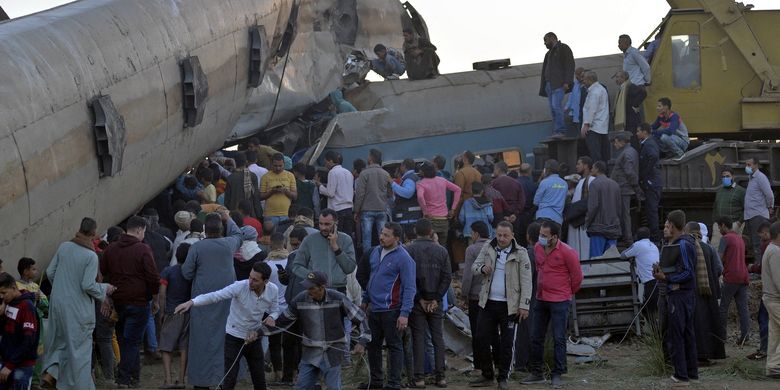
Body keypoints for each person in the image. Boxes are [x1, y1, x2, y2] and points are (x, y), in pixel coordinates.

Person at [174, 262, 279, 390]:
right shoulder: (240, 287)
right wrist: (192, 302)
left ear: (266, 281)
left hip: (254, 337)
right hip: (234, 337)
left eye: (255, 280)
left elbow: (275, 310)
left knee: (259, 379)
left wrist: (272, 317)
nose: (250, 281)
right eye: (250, 277)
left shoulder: (273, 290)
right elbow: (215, 296)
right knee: (230, 378)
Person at [261, 271, 370, 389]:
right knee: (301, 387)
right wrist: (259, 332)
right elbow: (282, 322)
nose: (308, 291)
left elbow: (361, 318)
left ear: (322, 287)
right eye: (307, 287)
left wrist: (362, 342)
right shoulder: (300, 299)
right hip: (310, 352)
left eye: (312, 288)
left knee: (334, 387)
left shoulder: (338, 298)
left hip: (332, 351)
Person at [43, 218, 115, 390]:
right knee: (79, 353)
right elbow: (87, 285)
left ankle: (51, 374)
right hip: (78, 310)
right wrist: (105, 288)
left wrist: (63, 287)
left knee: (61, 343)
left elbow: (50, 272)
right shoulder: (90, 256)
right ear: (93, 234)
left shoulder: (64, 246)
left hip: (57, 304)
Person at [181, 212, 242, 388]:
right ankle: (223, 379)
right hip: (226, 302)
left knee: (201, 342)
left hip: (201, 301)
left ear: (204, 230)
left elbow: (186, 273)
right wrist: (228, 217)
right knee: (225, 340)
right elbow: (239, 234)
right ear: (222, 229)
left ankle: (201, 381)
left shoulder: (197, 248)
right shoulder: (229, 244)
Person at [470, 221, 532, 389]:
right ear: (495, 234)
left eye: (505, 235)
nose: (502, 238)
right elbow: (474, 267)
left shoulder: (521, 253)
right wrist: (482, 268)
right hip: (488, 303)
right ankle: (487, 374)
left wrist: (524, 305)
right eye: (499, 235)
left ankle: (503, 377)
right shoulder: (488, 247)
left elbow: (527, 281)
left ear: (512, 235)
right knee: (481, 337)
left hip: (509, 306)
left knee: (507, 342)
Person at [101, 216, 161, 388]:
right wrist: (156, 299)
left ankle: (135, 377)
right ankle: (124, 378)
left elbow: (103, 272)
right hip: (139, 301)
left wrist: (107, 296)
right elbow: (153, 277)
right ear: (140, 229)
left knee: (123, 339)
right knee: (133, 342)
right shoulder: (143, 249)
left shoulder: (111, 249)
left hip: (118, 301)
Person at [522, 220, 582, 389]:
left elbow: (577, 278)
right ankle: (537, 372)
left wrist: (565, 293)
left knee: (559, 338)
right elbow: (539, 268)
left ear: (554, 237)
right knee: (536, 337)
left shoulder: (568, 252)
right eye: (540, 234)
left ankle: (557, 373)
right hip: (541, 298)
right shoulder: (538, 249)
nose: (540, 237)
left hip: (560, 301)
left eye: (544, 235)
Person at [359, 222, 416, 390]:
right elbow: (372, 279)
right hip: (374, 309)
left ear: (397, 238)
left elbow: (410, 287)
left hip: (392, 310)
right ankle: (376, 381)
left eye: (386, 235)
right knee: (372, 345)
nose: (382, 237)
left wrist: (404, 313)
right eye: (382, 233)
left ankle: (394, 383)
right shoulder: (375, 252)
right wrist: (365, 299)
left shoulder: (404, 258)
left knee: (394, 346)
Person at [405, 219, 452, 388]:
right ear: (431, 231)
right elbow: (447, 277)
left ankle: (419, 378)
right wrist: (436, 298)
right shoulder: (441, 251)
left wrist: (420, 299)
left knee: (418, 339)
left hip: (417, 302)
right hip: (434, 302)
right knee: (437, 338)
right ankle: (441, 377)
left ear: (415, 230)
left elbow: (407, 279)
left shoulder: (408, 250)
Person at [653, 210, 698, 385]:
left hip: (679, 295)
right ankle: (692, 374)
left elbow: (687, 271)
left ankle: (680, 376)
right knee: (687, 334)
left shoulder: (682, 245)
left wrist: (667, 278)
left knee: (677, 335)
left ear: (673, 226)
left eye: (666, 225)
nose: (664, 228)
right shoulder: (684, 243)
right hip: (684, 295)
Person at [683, 222, 725, 363]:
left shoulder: (686, 247)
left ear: (687, 231)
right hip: (709, 292)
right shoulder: (709, 249)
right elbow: (719, 269)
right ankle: (709, 354)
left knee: (695, 324)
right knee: (709, 323)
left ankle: (695, 354)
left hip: (692, 292)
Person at [291, 209, 357, 293]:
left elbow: (349, 268)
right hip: (315, 289)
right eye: (320, 224)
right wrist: (312, 276)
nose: (323, 227)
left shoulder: (346, 239)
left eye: (327, 224)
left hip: (338, 289)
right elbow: (297, 266)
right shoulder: (309, 240)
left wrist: (336, 248)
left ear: (336, 223)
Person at [460, 221, 496, 373]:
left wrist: (464, 294)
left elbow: (468, 276)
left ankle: (479, 365)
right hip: (494, 297)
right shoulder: (495, 247)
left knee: (477, 332)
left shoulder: (472, 249)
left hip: (476, 297)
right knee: (493, 331)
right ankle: (497, 363)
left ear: (476, 233)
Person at [158, 243, 193, 389]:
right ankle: (181, 379)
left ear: (176, 255)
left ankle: (168, 380)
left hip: (172, 312)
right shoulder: (191, 274)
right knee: (184, 347)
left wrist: (161, 311)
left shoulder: (168, 271)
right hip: (188, 312)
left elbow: (162, 293)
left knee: (166, 346)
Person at [0, 273, 40, 390]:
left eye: (3, 293)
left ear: (13, 288)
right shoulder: (7, 303)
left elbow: (28, 340)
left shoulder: (26, 307)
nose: (1, 296)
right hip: (6, 362)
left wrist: (10, 365)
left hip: (21, 365)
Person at [717, 217, 751, 344]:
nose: (719, 230)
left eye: (720, 227)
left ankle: (721, 337)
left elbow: (718, 258)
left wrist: (718, 274)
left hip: (731, 276)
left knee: (723, 307)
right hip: (743, 276)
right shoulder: (739, 239)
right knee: (743, 308)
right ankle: (745, 337)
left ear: (724, 225)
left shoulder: (725, 239)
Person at [355, 149, 393, 254]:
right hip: (382, 208)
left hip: (367, 209)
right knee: (383, 236)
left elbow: (360, 194)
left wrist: (356, 210)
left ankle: (367, 260)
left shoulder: (364, 174)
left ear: (371, 158)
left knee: (367, 238)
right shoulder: (386, 174)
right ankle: (384, 256)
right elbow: (390, 193)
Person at [416, 162, 462, 247]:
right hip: (444, 220)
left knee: (431, 246)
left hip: (431, 220)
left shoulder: (421, 183)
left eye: (420, 170)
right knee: (443, 246)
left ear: (423, 172)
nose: (419, 171)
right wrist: (453, 209)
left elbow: (420, 197)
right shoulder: (442, 180)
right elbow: (458, 190)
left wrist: (425, 211)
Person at [539, 32, 575, 138]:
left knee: (556, 107)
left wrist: (567, 82)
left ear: (552, 38)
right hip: (549, 85)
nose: (545, 43)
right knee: (553, 109)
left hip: (558, 84)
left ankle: (561, 130)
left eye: (545, 40)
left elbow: (570, 65)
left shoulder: (563, 49)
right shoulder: (548, 54)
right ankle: (557, 130)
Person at [585, 161, 622, 258]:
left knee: (596, 261)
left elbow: (593, 207)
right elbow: (619, 208)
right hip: (613, 227)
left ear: (597, 169)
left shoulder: (594, 184)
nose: (591, 170)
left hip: (598, 228)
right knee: (611, 260)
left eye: (592, 168)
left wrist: (587, 222)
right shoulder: (615, 184)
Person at [620, 227, 660, 318]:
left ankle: (649, 331)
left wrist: (632, 253)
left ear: (637, 236)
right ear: (649, 236)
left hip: (649, 284)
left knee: (647, 313)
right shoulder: (654, 246)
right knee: (654, 311)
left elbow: (622, 256)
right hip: (659, 282)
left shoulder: (637, 245)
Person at [317, 151, 355, 239]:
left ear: (330, 161)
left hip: (337, 210)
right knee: (347, 237)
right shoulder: (348, 172)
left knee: (336, 236)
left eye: (326, 162)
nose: (325, 165)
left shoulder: (332, 172)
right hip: (349, 208)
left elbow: (330, 193)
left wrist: (320, 186)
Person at [611, 132, 641, 244]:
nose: (615, 144)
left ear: (622, 142)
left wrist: (636, 186)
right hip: (625, 187)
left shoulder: (626, 153)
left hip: (623, 188)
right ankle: (627, 236)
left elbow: (629, 172)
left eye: (616, 142)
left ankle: (627, 238)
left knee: (624, 213)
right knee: (624, 213)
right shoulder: (630, 151)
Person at [745, 157, 775, 262]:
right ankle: (758, 267)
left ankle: (760, 268)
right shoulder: (751, 178)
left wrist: (770, 206)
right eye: (746, 165)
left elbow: (769, 195)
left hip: (757, 215)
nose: (747, 167)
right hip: (750, 215)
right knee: (754, 243)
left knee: (758, 243)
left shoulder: (760, 178)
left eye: (749, 165)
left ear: (756, 165)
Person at [565, 156, 595, 260]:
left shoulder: (590, 181)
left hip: (582, 222)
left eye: (579, 164)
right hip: (577, 221)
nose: (576, 166)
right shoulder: (581, 181)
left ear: (586, 166)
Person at [637, 123, 662, 241]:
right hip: (651, 182)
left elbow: (653, 157)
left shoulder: (649, 144)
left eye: (638, 131)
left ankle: (655, 238)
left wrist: (645, 175)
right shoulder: (647, 143)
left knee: (652, 211)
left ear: (644, 132)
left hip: (651, 183)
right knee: (650, 210)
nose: (637, 134)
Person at [761, 221, 780, 377]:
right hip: (775, 299)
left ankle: (773, 366)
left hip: (771, 298)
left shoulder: (771, 249)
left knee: (775, 333)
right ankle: (774, 365)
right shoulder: (775, 252)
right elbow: (779, 280)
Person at [711, 168, 746, 250]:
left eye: (727, 176)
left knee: (733, 248)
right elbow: (715, 206)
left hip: (734, 224)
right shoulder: (719, 191)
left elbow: (747, 209)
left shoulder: (741, 191)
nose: (725, 178)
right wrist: (715, 221)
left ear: (733, 177)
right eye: (723, 177)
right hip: (719, 225)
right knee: (715, 247)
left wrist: (739, 222)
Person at [580, 70, 610, 163]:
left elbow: (591, 109)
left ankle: (597, 175)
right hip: (602, 126)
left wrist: (586, 125)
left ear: (589, 80)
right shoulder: (602, 89)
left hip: (593, 127)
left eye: (584, 79)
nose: (582, 81)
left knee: (595, 155)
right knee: (603, 154)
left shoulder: (594, 92)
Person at [260, 153, 298, 225]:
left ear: (284, 164)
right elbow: (261, 196)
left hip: (286, 214)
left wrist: (285, 191)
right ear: (271, 164)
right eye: (275, 166)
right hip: (269, 215)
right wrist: (272, 191)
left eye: (280, 166)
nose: (278, 168)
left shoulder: (290, 176)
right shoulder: (265, 177)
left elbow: (295, 196)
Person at [224, 152, 262, 218]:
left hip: (235, 215)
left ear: (235, 162)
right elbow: (256, 197)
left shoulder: (231, 178)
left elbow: (227, 201)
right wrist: (259, 214)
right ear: (246, 162)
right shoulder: (252, 176)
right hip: (250, 214)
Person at [392, 159, 422, 236]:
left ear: (404, 166)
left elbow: (408, 193)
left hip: (408, 218)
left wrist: (393, 184)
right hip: (412, 217)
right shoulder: (414, 177)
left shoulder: (409, 179)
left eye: (401, 165)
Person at [612, 70, 647, 135]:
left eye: (617, 77)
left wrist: (635, 105)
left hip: (631, 120)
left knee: (632, 139)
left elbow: (643, 93)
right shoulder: (621, 89)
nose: (616, 79)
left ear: (623, 78)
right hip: (626, 120)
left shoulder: (629, 86)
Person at [533, 159, 567, 224]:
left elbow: (535, 202)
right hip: (558, 219)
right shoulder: (564, 183)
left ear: (547, 170)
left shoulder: (544, 182)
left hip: (543, 216)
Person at [492, 161, 525, 226]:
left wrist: (502, 216)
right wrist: (515, 214)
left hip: (500, 217)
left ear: (498, 169)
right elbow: (522, 201)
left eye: (494, 169)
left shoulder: (493, 183)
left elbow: (492, 201)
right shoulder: (516, 183)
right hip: (514, 217)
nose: (493, 171)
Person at [517, 163, 538, 246]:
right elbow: (536, 201)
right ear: (529, 171)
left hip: (518, 216)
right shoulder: (533, 185)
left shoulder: (516, 183)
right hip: (529, 215)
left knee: (519, 240)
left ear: (519, 171)